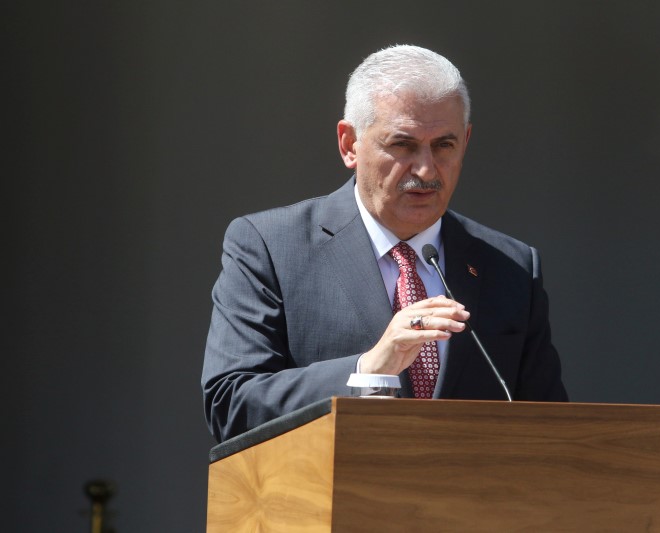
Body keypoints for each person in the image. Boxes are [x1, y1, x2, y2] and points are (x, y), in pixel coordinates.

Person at [202, 45, 567, 443]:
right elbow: (231, 404)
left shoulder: (511, 266)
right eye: (402, 145)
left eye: (444, 145)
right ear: (349, 145)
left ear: (466, 140)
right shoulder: (270, 246)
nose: (426, 169)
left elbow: (549, 429)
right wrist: (369, 368)